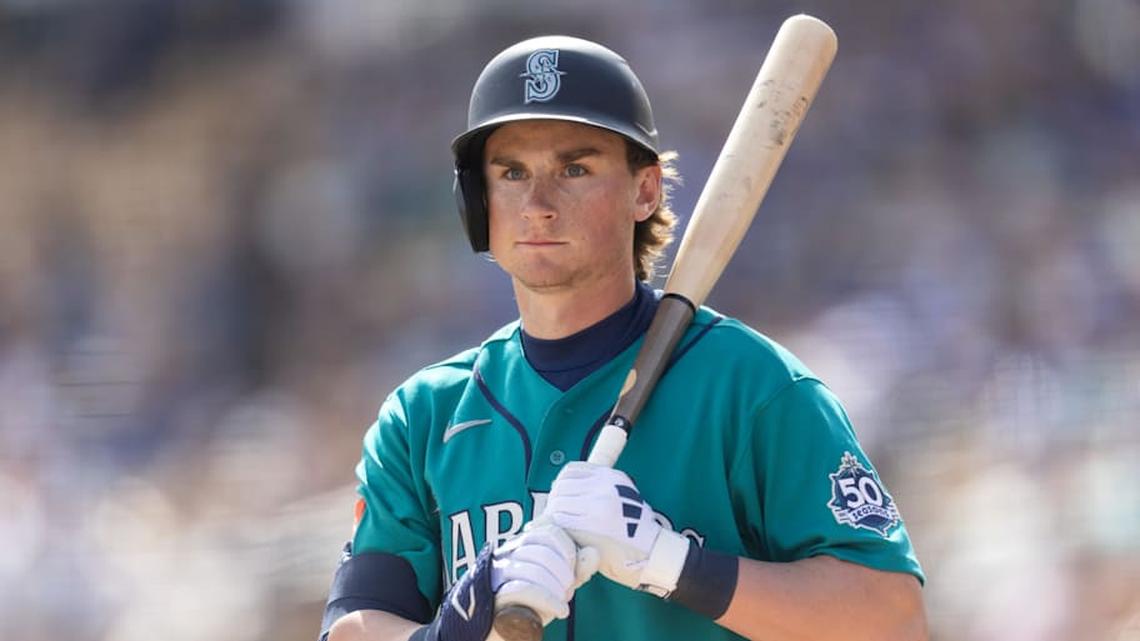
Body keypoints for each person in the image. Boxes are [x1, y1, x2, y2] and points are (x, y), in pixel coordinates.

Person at [320, 35, 927, 641]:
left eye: (575, 169)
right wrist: (457, 625)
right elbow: (352, 627)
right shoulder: (423, 416)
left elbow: (892, 619)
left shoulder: (751, 387)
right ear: (477, 200)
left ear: (645, 191)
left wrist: (672, 565)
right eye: (511, 173)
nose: (537, 204)